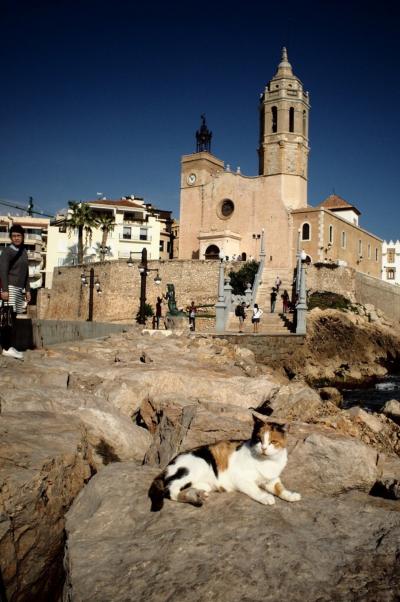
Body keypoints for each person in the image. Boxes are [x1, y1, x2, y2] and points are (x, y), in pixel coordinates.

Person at [0, 224, 31, 359]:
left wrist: (28, 290)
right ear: (11, 237)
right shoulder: (7, 252)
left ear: (23, 237)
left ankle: (9, 346)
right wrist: (5, 290)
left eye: (19, 235)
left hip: (19, 290)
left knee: (13, 319)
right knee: (8, 319)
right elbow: (2, 271)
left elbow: (26, 273)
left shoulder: (24, 252)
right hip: (10, 288)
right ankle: (6, 348)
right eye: (14, 236)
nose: (16, 238)